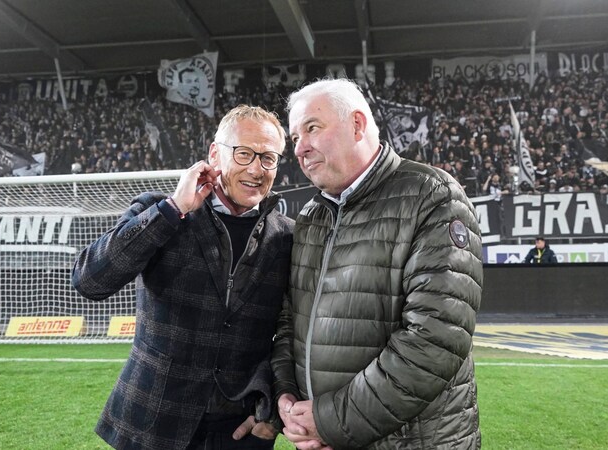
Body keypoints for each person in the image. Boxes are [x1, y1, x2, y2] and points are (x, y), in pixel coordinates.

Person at [271, 79, 483, 449]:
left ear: (357, 124)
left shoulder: (432, 196)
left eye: (312, 128)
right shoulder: (310, 217)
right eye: (294, 139)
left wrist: (331, 420)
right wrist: (287, 396)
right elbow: (291, 320)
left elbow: (435, 341)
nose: (301, 148)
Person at [72, 105, 293, 449]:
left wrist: (273, 415)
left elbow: (296, 332)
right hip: (153, 419)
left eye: (268, 158)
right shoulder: (160, 210)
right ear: (214, 154)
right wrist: (173, 209)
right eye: (245, 153)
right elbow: (90, 281)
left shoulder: (288, 237)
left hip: (241, 429)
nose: (256, 168)